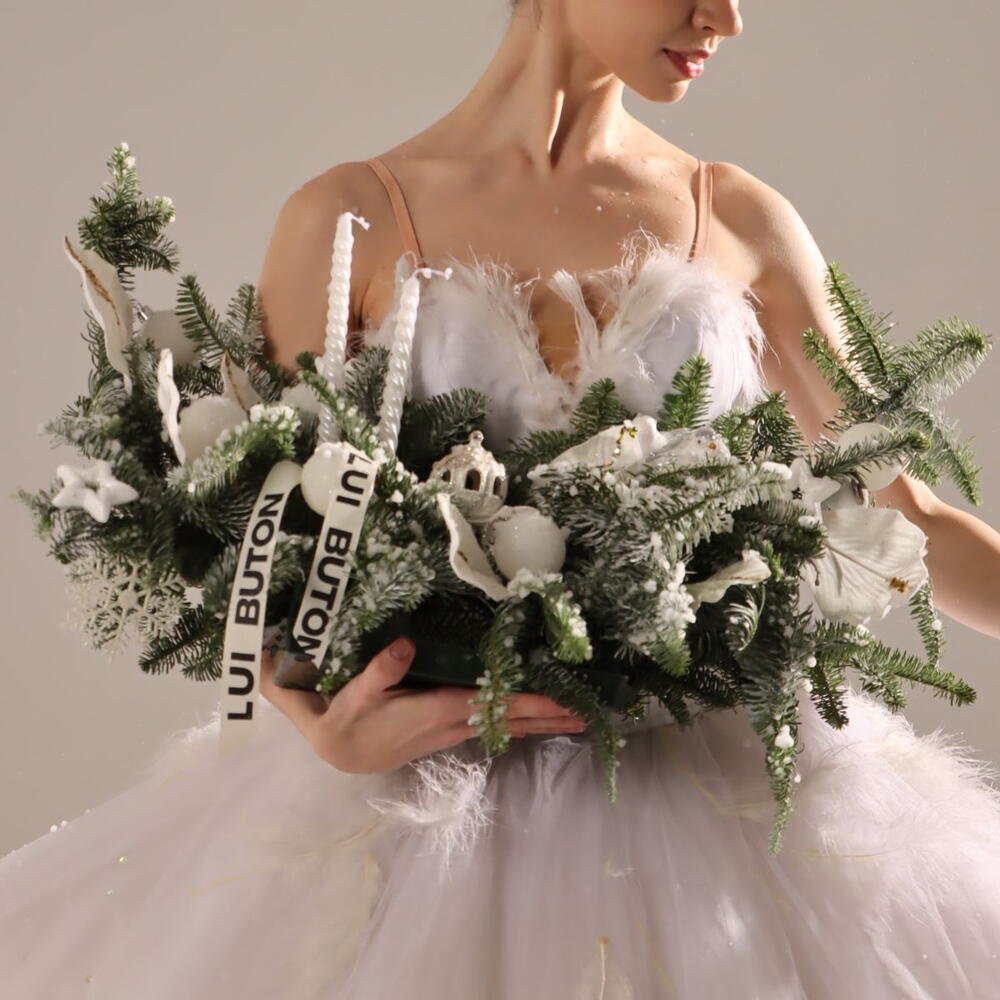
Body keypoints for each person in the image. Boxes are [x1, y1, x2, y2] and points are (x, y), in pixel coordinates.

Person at [4, 1, 1000, 997]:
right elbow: (265, 525)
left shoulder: (737, 218)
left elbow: (904, 515)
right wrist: (321, 722)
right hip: (414, 803)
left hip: (710, 793)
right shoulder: (348, 217)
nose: (726, 19)